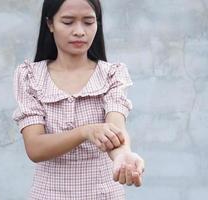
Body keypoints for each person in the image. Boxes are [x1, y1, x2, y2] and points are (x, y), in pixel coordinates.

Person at [12, 0, 145, 199]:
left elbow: (115, 126)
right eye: (68, 22)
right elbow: (35, 148)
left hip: (104, 194)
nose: (79, 31)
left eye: (89, 22)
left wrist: (123, 155)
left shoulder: (112, 74)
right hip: (48, 195)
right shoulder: (30, 76)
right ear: (50, 24)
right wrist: (85, 131)